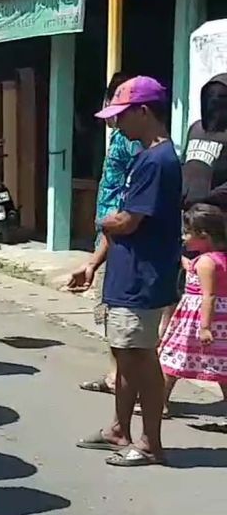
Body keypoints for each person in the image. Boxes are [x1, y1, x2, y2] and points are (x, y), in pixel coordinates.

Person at [70, 76, 181, 467]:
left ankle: (150, 442)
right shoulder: (142, 155)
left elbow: (128, 220)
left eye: (122, 116)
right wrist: (94, 262)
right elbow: (119, 223)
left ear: (144, 112)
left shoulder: (159, 161)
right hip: (125, 271)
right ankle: (119, 427)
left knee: (140, 357)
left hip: (143, 276)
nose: (116, 124)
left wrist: (104, 222)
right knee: (122, 351)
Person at [79, 72, 143, 396]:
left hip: (119, 238)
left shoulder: (136, 144)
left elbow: (128, 204)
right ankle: (114, 377)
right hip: (109, 233)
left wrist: (99, 253)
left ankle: (136, 390)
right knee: (109, 316)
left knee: (121, 320)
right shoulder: (120, 137)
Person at [159, 203, 227, 413]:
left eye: (188, 233)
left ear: (203, 235)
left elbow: (209, 294)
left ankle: (158, 403)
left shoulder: (206, 262)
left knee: (170, 358)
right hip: (219, 320)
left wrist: (205, 327)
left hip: (198, 320)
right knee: (221, 366)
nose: (184, 238)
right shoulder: (215, 259)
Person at [183, 73, 227, 207]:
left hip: (217, 214)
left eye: (222, 97)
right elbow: (185, 162)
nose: (214, 100)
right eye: (210, 96)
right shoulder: (196, 128)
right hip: (187, 211)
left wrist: (206, 198)